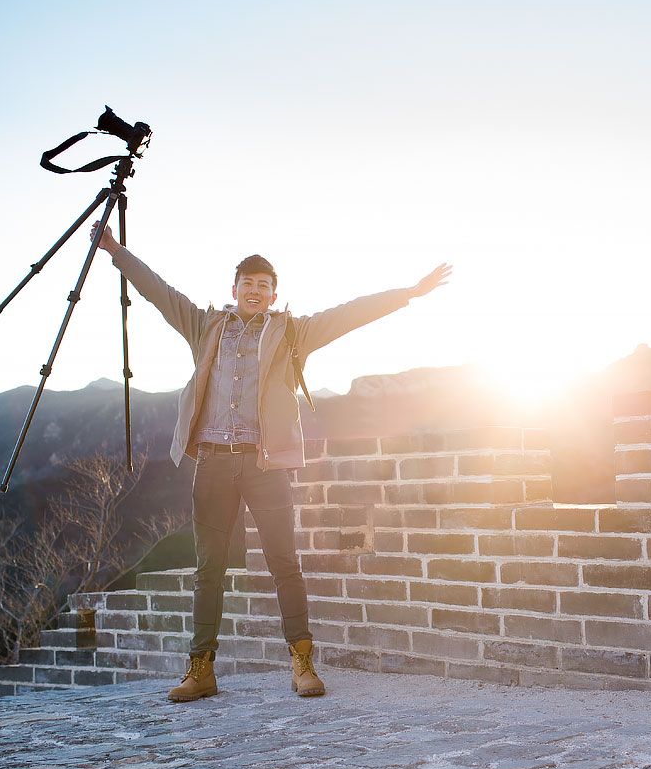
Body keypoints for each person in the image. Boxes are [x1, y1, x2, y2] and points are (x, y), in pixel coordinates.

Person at [91, 221, 451, 701]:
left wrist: (408, 292)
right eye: (248, 284)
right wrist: (116, 250)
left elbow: (350, 314)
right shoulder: (205, 326)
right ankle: (200, 670)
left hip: (267, 465)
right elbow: (158, 291)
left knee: (284, 562)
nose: (255, 291)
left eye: (264, 286)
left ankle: (303, 662)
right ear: (233, 288)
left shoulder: (292, 333)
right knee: (209, 568)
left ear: (275, 295)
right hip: (214, 463)